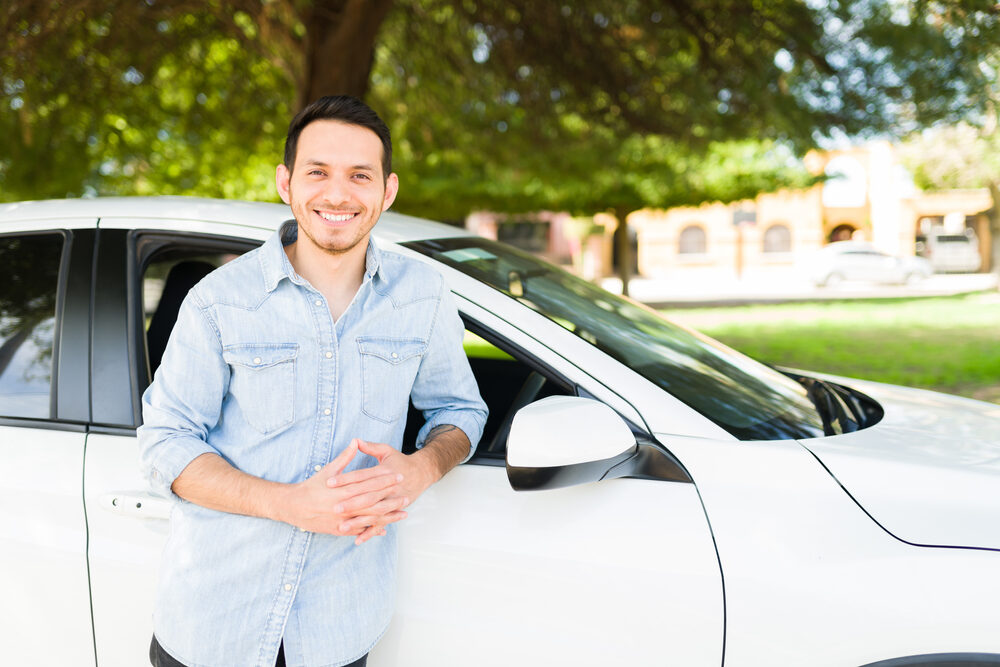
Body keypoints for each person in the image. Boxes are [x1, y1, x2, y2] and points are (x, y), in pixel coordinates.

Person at [138, 95, 488, 667]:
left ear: (387, 191)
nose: (337, 193)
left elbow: (461, 411)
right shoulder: (219, 301)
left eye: (359, 175)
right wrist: (288, 504)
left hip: (338, 631)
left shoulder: (423, 296)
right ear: (286, 182)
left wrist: (422, 467)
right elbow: (164, 443)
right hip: (213, 629)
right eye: (318, 172)